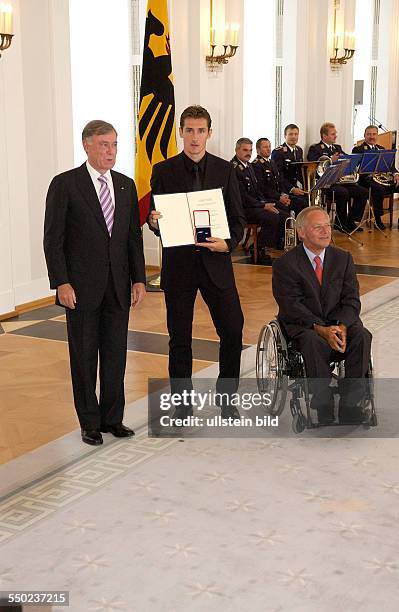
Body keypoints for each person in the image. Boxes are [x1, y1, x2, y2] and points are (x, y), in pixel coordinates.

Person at [44, 120, 146, 446]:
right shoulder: (65, 184)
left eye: (114, 144)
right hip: (81, 289)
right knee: (85, 357)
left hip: (118, 286)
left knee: (115, 355)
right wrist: (61, 282)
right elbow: (53, 240)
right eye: (103, 144)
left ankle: (112, 418)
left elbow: (132, 240)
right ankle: (89, 422)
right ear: (86, 145)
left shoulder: (126, 186)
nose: (110, 151)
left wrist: (139, 279)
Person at [149, 105, 246, 420]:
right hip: (179, 266)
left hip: (216, 265)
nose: (194, 137)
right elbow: (157, 218)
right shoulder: (163, 171)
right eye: (188, 130)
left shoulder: (224, 170)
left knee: (232, 331)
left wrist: (227, 244)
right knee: (179, 339)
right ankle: (182, 404)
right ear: (181, 131)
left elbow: (238, 220)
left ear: (209, 133)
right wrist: (153, 221)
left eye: (200, 130)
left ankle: (227, 399)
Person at [272, 207, 372, 425]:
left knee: (362, 336)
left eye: (327, 225)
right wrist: (320, 328)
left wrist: (342, 325)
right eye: (318, 227)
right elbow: (291, 305)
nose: (326, 231)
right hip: (305, 325)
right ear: (301, 233)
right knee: (312, 342)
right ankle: (323, 402)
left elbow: (352, 299)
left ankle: (351, 404)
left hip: (339, 322)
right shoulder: (286, 264)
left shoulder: (343, 258)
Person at [307, 122, 368, 232]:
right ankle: (340, 223)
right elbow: (315, 165)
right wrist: (331, 160)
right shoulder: (315, 148)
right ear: (324, 136)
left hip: (340, 182)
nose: (335, 136)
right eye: (332, 134)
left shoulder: (337, 147)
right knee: (343, 192)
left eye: (335, 133)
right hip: (326, 184)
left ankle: (351, 221)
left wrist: (352, 160)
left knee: (363, 191)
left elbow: (347, 159)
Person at [231, 137, 280, 263]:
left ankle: (264, 246)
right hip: (242, 209)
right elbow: (242, 197)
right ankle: (257, 250)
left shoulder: (248, 166)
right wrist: (263, 206)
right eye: (245, 150)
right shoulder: (234, 169)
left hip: (253, 206)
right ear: (237, 150)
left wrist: (264, 203)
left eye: (250, 150)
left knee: (280, 212)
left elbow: (257, 190)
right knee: (272, 217)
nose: (248, 153)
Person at [352, 124, 399, 229]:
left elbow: (390, 166)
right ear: (364, 135)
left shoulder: (381, 149)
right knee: (379, 189)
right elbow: (354, 167)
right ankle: (377, 220)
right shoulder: (358, 149)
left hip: (381, 179)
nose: (372, 137)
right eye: (369, 134)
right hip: (366, 181)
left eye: (374, 134)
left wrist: (396, 174)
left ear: (377, 135)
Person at [252, 137, 306, 218]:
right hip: (268, 198)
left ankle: (299, 228)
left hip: (279, 196)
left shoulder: (272, 162)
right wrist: (279, 197)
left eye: (269, 146)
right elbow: (263, 188)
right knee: (284, 212)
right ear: (258, 150)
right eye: (265, 147)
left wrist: (284, 194)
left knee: (302, 203)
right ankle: (288, 229)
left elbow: (280, 181)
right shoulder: (256, 165)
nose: (268, 149)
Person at [271, 123, 308, 211]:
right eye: (290, 134)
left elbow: (299, 171)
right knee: (302, 202)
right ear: (285, 136)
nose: (293, 137)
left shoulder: (299, 150)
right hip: (285, 189)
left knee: (311, 198)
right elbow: (279, 176)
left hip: (296, 187)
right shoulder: (278, 152)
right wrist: (292, 189)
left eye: (296, 134)